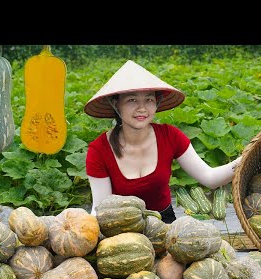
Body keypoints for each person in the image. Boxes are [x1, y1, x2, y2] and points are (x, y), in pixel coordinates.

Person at [84, 60, 242, 223]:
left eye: (149, 100)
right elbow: (100, 209)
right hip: (121, 229)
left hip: (164, 224)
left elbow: (210, 177)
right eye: (132, 100)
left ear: (157, 102)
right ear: (116, 104)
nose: (142, 108)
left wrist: (243, 160)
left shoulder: (170, 136)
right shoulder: (99, 149)